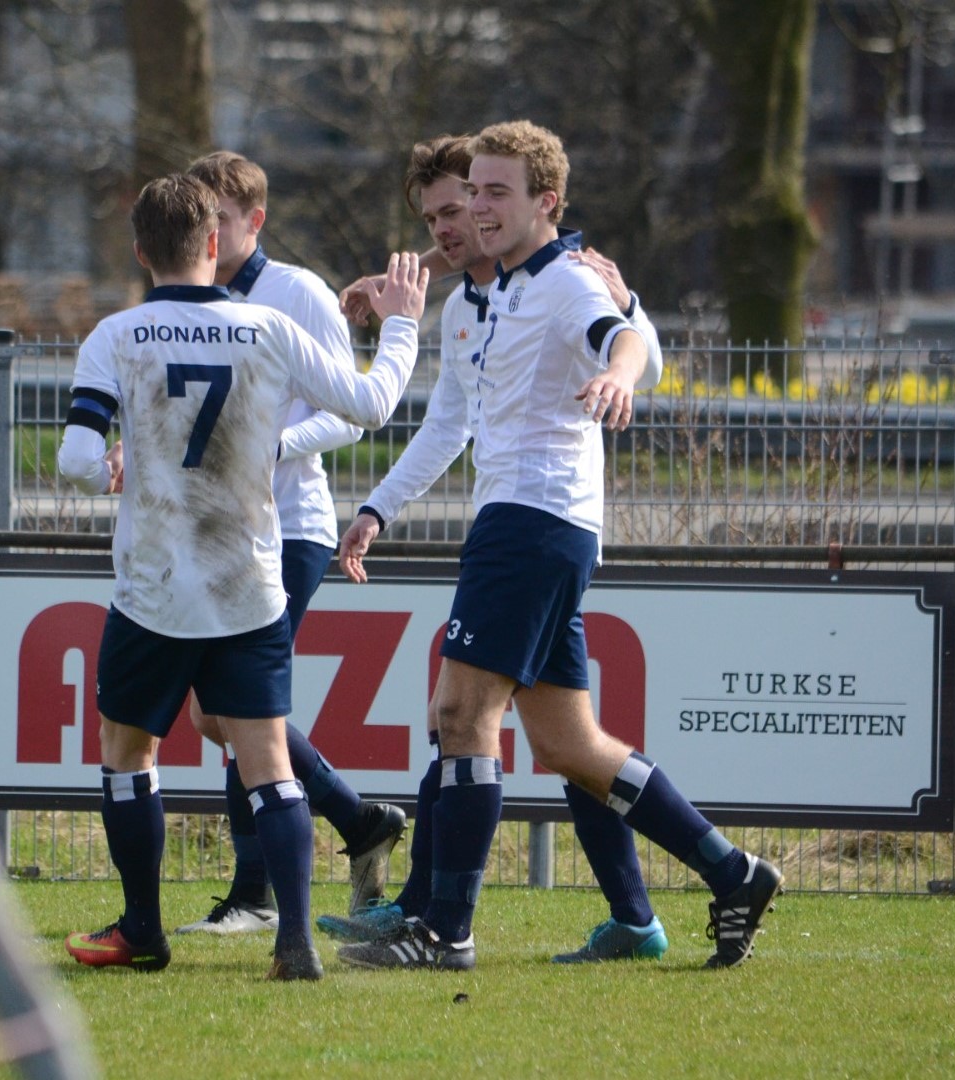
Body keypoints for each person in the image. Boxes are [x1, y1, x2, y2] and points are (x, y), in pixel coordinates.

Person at [331, 121, 781, 973]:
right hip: (530, 527)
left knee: (461, 715)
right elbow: (448, 422)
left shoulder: (568, 283)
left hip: (534, 525)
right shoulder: (484, 295)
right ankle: (735, 872)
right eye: (473, 195)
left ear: (547, 203)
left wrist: (620, 370)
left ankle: (446, 930)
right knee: (571, 747)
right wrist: (378, 508)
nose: (475, 210)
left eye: (494, 194)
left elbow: (625, 337)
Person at [56, 173, 429, 980]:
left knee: (127, 753)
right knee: (266, 760)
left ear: (139, 251)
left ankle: (142, 930)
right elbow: (369, 406)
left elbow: (78, 460)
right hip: (247, 583)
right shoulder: (265, 328)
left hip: (154, 586)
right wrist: (400, 328)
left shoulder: (116, 335)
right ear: (214, 245)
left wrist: (119, 466)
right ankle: (293, 942)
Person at [169, 151, 406, 937]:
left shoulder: (295, 292)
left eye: (223, 221)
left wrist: (271, 449)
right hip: (220, 528)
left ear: (255, 222)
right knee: (218, 709)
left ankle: (254, 895)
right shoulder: (192, 298)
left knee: (238, 702)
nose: (208, 234)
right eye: (199, 221)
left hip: (291, 527)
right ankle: (355, 818)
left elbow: (351, 411)